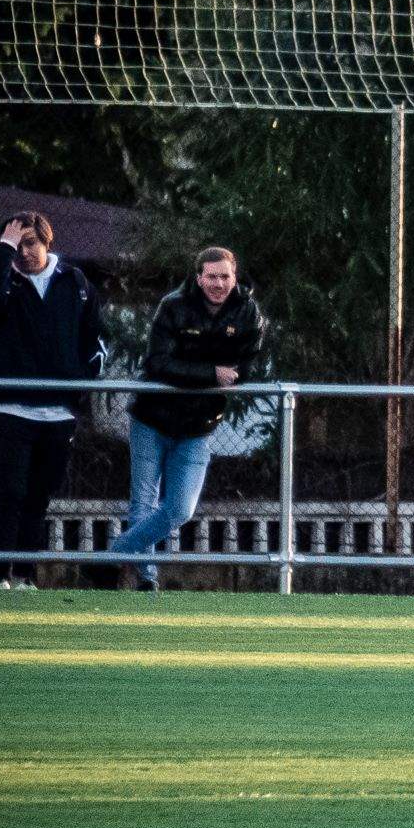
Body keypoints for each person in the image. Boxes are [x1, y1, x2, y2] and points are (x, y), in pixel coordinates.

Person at [97, 247, 267, 591]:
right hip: (152, 418)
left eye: (225, 276)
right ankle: (146, 578)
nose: (218, 283)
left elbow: (248, 364)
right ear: (199, 277)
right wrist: (211, 373)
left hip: (198, 426)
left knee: (180, 510)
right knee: (142, 499)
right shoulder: (173, 306)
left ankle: (111, 556)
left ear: (235, 277)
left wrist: (230, 376)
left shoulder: (247, 310)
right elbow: (158, 363)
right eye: (211, 276)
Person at [0, 212, 105, 589]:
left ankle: (25, 576)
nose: (24, 252)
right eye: (16, 245)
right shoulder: (4, 279)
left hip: (58, 412)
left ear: (46, 242)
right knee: (9, 492)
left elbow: (94, 338)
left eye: (30, 243)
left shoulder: (74, 283)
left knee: (39, 496)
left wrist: (81, 381)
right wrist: (1, 253)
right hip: (10, 407)